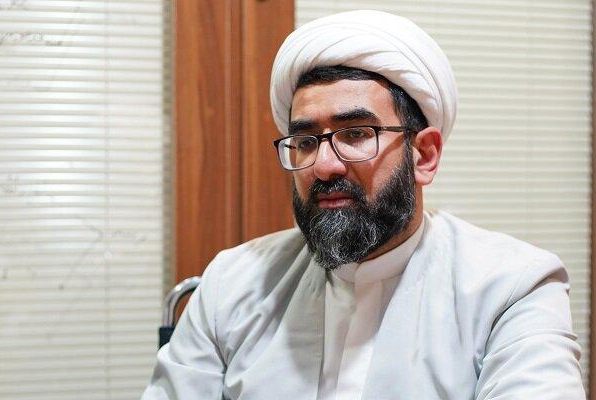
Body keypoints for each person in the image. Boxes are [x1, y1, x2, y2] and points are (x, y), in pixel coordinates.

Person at [142, 10, 585, 399]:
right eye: (305, 141)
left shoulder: (510, 288)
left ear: (424, 155)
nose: (324, 166)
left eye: (355, 134)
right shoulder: (233, 284)